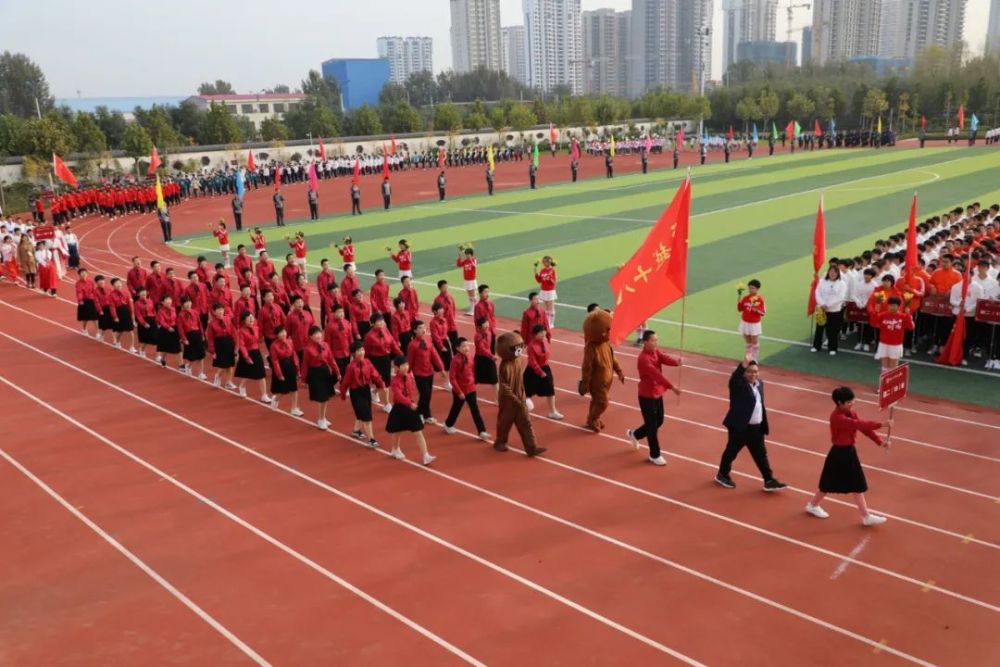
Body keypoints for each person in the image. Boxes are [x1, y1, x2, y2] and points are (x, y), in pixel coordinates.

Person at [805, 386, 891, 526]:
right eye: (849, 402)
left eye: (853, 401)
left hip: (849, 452)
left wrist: (880, 442)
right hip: (839, 453)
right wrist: (881, 424)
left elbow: (863, 428)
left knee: (856, 484)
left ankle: (865, 516)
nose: (852, 404)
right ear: (840, 403)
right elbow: (858, 424)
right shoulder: (837, 418)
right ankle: (813, 505)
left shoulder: (851, 412)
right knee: (829, 483)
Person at [714, 353, 787, 491]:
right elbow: (734, 378)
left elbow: (759, 404)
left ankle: (769, 480)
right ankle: (722, 474)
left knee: (761, 454)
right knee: (731, 452)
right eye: (749, 372)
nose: (753, 374)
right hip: (740, 427)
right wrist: (743, 365)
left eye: (755, 372)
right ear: (744, 373)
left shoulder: (760, 384)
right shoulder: (738, 386)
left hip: (756, 428)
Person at [626, 330, 681, 466]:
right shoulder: (643, 359)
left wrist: (676, 362)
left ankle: (635, 434)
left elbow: (664, 357)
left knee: (659, 421)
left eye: (656, 340)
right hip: (647, 396)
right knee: (652, 427)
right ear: (645, 342)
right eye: (653, 340)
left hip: (657, 393)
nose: (656, 342)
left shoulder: (655, 352)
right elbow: (657, 375)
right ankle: (654, 455)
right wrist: (672, 387)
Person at [386, 356, 436, 465]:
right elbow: (398, 396)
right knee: (397, 431)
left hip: (409, 406)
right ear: (397, 368)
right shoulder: (395, 381)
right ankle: (395, 448)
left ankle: (425, 455)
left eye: (407, 365)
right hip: (400, 408)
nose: (406, 367)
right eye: (403, 365)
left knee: (418, 431)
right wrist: (410, 403)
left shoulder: (409, 376)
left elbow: (411, 389)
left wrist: (410, 403)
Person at [443, 337, 490, 440]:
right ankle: (448, 424)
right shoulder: (455, 361)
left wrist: (473, 381)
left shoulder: (470, 356)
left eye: (467, 345)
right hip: (460, 390)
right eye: (463, 346)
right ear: (457, 348)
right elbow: (452, 378)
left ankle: (482, 431)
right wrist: (459, 392)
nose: (466, 348)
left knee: (475, 410)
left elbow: (472, 370)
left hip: (471, 388)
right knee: (456, 408)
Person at [340, 340, 384, 448]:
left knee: (362, 413)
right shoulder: (351, 367)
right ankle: (371, 439)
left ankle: (356, 431)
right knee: (366, 415)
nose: (362, 352)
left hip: (366, 390)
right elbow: (345, 381)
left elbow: (375, 374)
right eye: (359, 350)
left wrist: (380, 383)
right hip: (356, 393)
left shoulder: (367, 362)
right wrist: (343, 393)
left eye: (363, 350)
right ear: (353, 353)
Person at [301, 325, 340, 430]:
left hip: (325, 372)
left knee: (326, 397)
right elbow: (305, 364)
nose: (318, 335)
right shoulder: (307, 349)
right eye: (315, 334)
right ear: (310, 336)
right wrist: (303, 378)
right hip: (315, 373)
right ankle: (321, 419)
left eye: (319, 333)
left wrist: (337, 372)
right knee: (322, 397)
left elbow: (331, 359)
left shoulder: (325, 345)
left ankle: (323, 417)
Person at [406, 320, 444, 424]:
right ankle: (418, 414)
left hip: (429, 372)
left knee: (428, 395)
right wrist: (407, 373)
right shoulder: (412, 345)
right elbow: (410, 360)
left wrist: (441, 368)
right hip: (419, 374)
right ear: (414, 331)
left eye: (424, 327)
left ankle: (427, 415)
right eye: (420, 328)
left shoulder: (428, 340)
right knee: (425, 394)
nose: (423, 330)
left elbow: (434, 355)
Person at [524, 324, 563, 419]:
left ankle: (552, 411)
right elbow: (532, 362)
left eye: (544, 332)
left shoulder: (545, 342)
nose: (543, 334)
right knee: (527, 392)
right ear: (535, 335)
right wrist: (540, 372)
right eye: (541, 333)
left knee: (550, 389)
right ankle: (522, 410)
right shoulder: (531, 346)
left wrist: (544, 370)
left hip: (545, 368)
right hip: (532, 371)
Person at [364, 313, 401, 410]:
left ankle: (374, 392)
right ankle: (387, 404)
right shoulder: (369, 336)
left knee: (386, 381)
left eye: (382, 321)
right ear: (372, 324)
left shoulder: (385, 330)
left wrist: (399, 353)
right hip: (375, 360)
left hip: (386, 358)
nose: (381, 323)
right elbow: (366, 351)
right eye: (378, 321)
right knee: (380, 381)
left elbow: (392, 342)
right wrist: (366, 363)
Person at [812, 265, 848, 355]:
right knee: (819, 329)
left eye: (835, 272)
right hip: (822, 309)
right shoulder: (822, 281)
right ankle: (816, 346)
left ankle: (832, 348)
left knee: (833, 330)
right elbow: (817, 293)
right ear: (828, 272)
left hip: (834, 310)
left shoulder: (842, 284)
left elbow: (841, 297)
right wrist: (822, 304)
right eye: (831, 271)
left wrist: (828, 305)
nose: (833, 274)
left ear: (838, 273)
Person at [268, 326, 302, 416]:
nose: (283, 334)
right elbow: (275, 361)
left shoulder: (290, 341)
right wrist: (279, 374)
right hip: (281, 367)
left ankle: (294, 408)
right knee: (284, 390)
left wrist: (297, 369)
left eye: (284, 332)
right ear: (277, 335)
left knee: (294, 388)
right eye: (281, 333)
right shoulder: (273, 346)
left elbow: (294, 355)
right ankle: (276, 399)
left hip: (290, 366)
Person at [874, 297, 914, 370]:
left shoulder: (903, 316)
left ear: (898, 306)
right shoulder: (883, 315)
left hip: (896, 345)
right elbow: (873, 323)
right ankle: (884, 377)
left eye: (894, 306)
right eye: (890, 305)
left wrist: (908, 314)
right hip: (883, 344)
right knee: (884, 367)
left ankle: (893, 377)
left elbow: (911, 327)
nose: (891, 307)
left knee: (893, 368)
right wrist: (876, 312)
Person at [206, 303, 237, 389]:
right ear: (214, 312)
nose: (220, 311)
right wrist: (212, 351)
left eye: (222, 309)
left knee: (230, 365)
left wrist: (235, 344)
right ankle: (217, 376)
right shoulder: (211, 324)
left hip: (229, 342)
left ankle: (228, 382)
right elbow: (210, 338)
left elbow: (233, 331)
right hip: (219, 345)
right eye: (218, 310)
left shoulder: (228, 319)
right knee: (223, 365)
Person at [178, 296, 207, 380]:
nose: (188, 304)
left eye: (189, 302)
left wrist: (202, 334)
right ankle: (188, 366)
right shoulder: (180, 315)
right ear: (182, 305)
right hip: (189, 336)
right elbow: (180, 329)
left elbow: (199, 324)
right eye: (185, 302)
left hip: (197, 334)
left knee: (201, 355)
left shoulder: (195, 312)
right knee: (192, 356)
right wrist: (184, 339)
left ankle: (201, 373)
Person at [738, 279, 765, 359]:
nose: (750, 290)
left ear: (757, 289)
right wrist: (739, 299)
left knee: (754, 343)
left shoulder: (759, 299)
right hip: (745, 323)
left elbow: (763, 313)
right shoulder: (745, 298)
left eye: (753, 288)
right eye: (749, 288)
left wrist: (755, 309)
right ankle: (748, 357)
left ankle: (754, 359)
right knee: (748, 342)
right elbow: (740, 309)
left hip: (754, 324)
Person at [108, 277, 136, 352]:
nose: (119, 284)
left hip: (126, 312)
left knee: (130, 330)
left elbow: (130, 303)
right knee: (120, 330)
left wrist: (132, 313)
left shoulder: (126, 292)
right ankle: (117, 341)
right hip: (118, 312)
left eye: (119, 283)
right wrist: (115, 317)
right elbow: (112, 307)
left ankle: (132, 347)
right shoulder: (111, 295)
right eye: (116, 283)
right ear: (113, 285)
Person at [533, 256, 558, 328]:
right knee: (546, 308)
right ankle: (546, 322)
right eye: (543, 262)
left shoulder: (552, 270)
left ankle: (551, 324)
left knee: (551, 308)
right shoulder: (542, 270)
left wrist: (550, 278)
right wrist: (536, 273)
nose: (544, 263)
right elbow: (539, 280)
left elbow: (554, 282)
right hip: (543, 290)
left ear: (549, 262)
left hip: (550, 291)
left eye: (546, 262)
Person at [75, 267, 100, 337]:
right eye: (82, 273)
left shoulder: (91, 281)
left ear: (87, 274)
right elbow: (79, 292)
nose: (84, 274)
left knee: (95, 318)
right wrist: (80, 300)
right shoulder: (78, 283)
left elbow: (94, 290)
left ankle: (97, 332)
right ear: (79, 275)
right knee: (85, 318)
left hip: (92, 300)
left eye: (85, 273)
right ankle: (84, 329)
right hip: (84, 301)